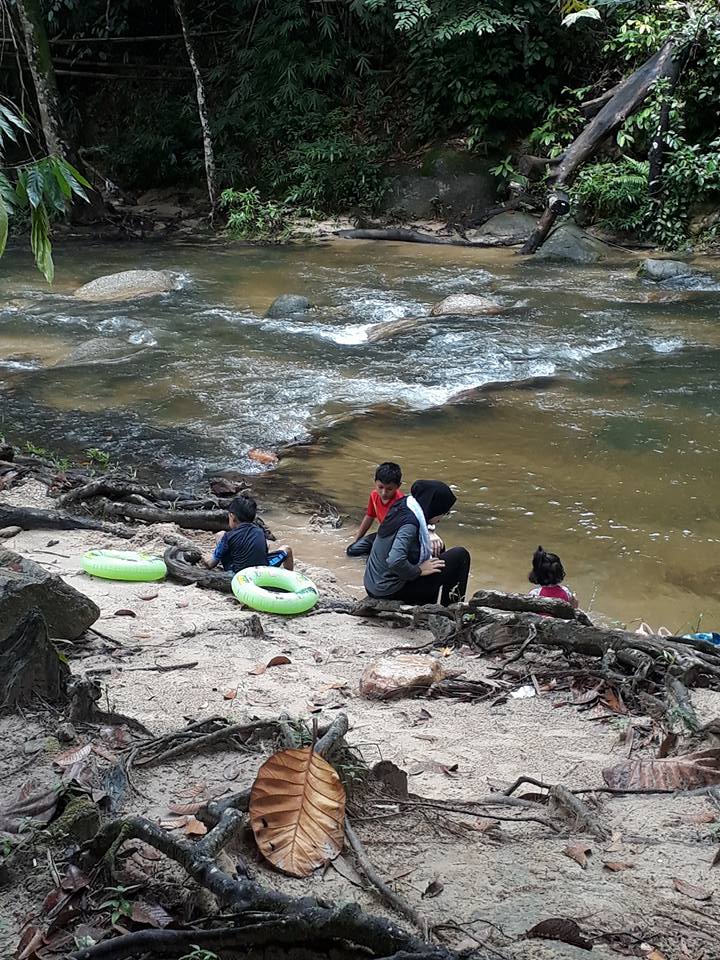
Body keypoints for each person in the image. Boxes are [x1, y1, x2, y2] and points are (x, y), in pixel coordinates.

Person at [363, 479, 470, 606]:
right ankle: (452, 610)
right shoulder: (410, 525)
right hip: (389, 590)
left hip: (374, 584)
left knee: (438, 547)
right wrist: (418, 571)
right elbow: (395, 560)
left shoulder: (404, 505)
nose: (441, 518)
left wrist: (430, 532)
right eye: (444, 513)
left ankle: (428, 606)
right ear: (435, 509)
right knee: (460, 556)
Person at [202, 496, 294, 575]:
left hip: (239, 574)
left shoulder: (228, 536)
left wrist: (204, 559)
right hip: (263, 571)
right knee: (287, 549)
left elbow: (211, 564)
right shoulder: (260, 531)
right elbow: (264, 552)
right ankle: (288, 579)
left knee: (220, 535)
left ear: (232, 516)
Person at [346, 462, 404, 558]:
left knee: (372, 560)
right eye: (380, 487)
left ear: (398, 486)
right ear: (375, 482)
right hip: (382, 535)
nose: (384, 493)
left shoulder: (401, 502)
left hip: (395, 539)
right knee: (352, 550)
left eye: (389, 489)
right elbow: (369, 516)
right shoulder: (374, 495)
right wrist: (358, 538)